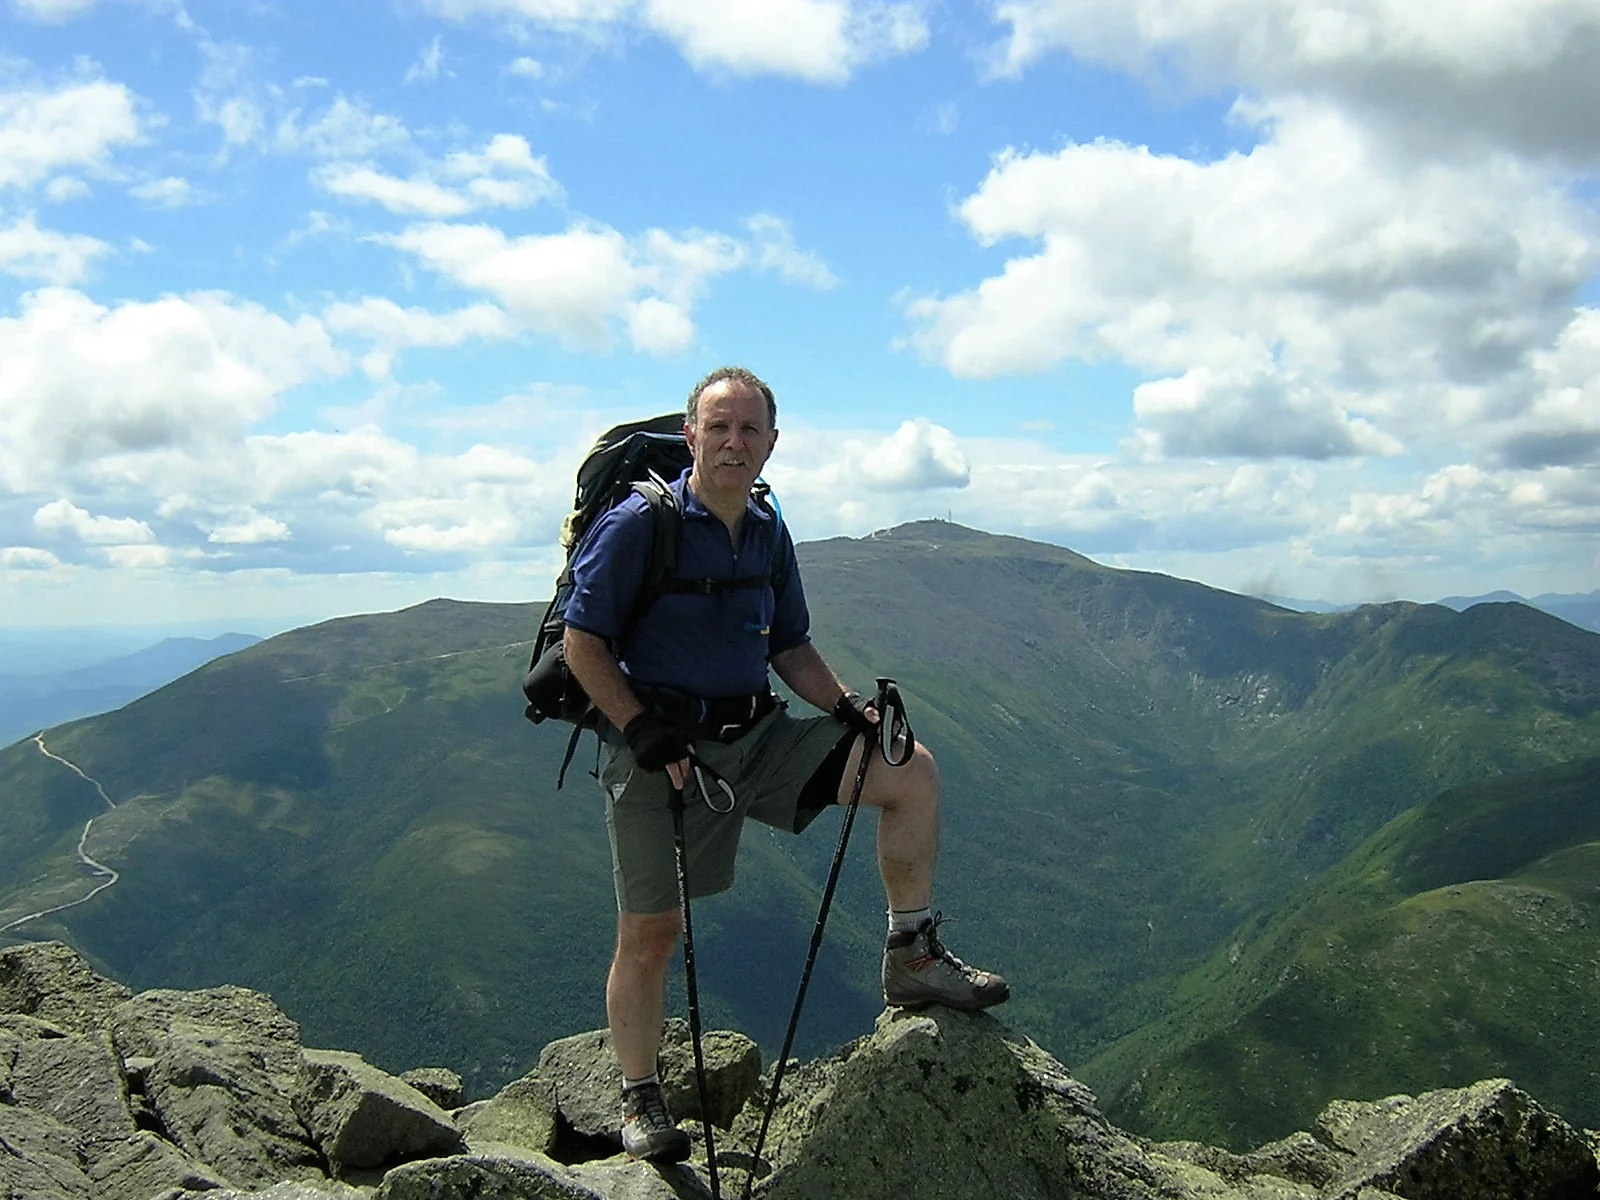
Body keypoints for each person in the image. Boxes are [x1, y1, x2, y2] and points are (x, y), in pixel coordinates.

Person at [562, 366, 1009, 1163]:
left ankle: (911, 953)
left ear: (772, 443)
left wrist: (847, 711)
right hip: (662, 759)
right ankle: (640, 1094)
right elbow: (583, 643)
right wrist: (640, 730)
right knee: (652, 935)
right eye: (720, 428)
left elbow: (789, 646)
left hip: (759, 739)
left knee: (911, 772)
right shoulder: (639, 524)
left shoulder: (766, 528)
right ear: (691, 436)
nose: (735, 443)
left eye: (750, 430)